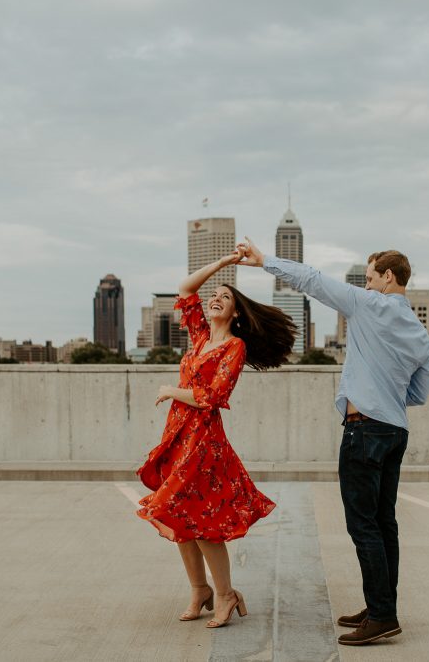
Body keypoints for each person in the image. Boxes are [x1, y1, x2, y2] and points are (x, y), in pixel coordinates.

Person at [237, 237, 429, 646]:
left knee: (363, 525)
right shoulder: (419, 331)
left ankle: (382, 615)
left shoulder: (368, 305)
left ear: (388, 277)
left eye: (370, 278)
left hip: (365, 429)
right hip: (395, 431)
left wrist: (264, 261)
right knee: (384, 523)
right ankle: (381, 605)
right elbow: (418, 394)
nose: (366, 285)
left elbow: (312, 280)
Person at [135, 249, 297, 628]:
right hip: (178, 436)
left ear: (236, 313)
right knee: (178, 515)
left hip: (203, 442)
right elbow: (185, 289)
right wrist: (224, 264)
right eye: (215, 295)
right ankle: (200, 589)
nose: (216, 298)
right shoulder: (200, 337)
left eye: (226, 297)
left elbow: (213, 396)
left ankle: (225, 594)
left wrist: (172, 391)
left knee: (200, 520)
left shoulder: (234, 347)